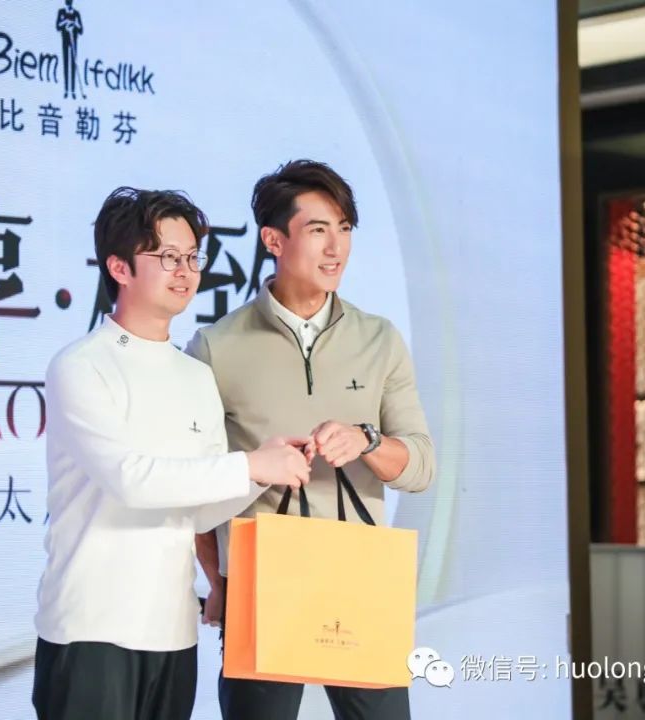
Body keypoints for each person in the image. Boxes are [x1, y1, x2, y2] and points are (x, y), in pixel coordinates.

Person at [33, 186, 312, 720]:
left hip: (172, 631)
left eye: (191, 257)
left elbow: (200, 514)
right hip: (90, 628)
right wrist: (250, 465)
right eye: (166, 257)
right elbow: (130, 481)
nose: (184, 271)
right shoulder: (80, 366)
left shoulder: (196, 374)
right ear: (119, 267)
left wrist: (263, 472)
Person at [187, 160, 437, 720]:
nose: (336, 248)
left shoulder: (380, 339)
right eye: (318, 229)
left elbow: (421, 466)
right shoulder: (216, 347)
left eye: (344, 229)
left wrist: (367, 440)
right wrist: (218, 582)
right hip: (260, 585)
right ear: (273, 240)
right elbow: (198, 489)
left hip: (360, 578)